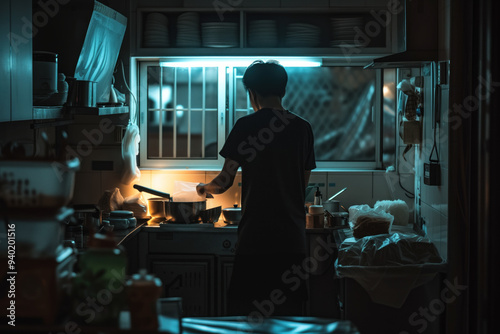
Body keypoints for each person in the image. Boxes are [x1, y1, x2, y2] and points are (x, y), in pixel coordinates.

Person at [196, 60, 316, 317]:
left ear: (251, 92)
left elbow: (224, 181)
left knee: (248, 316)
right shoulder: (303, 128)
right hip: (292, 241)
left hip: (256, 241)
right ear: (282, 90)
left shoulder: (246, 126)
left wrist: (202, 188)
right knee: (288, 318)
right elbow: (301, 184)